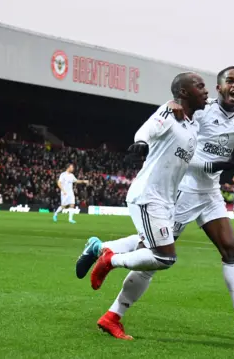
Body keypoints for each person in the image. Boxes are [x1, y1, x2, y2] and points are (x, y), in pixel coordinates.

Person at [77, 67, 234, 341]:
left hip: (210, 194)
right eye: (229, 81)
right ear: (218, 87)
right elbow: (178, 128)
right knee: (154, 255)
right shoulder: (202, 109)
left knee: (232, 249)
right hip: (184, 191)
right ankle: (112, 301)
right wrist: (207, 161)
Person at [86, 72, 209, 339]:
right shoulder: (169, 112)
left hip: (166, 202)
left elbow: (189, 160)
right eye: (200, 86)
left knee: (149, 265)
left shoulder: (192, 125)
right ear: (184, 93)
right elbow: (147, 128)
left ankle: (112, 317)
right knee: (165, 258)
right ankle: (110, 258)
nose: (206, 90)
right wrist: (141, 143)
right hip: (147, 197)